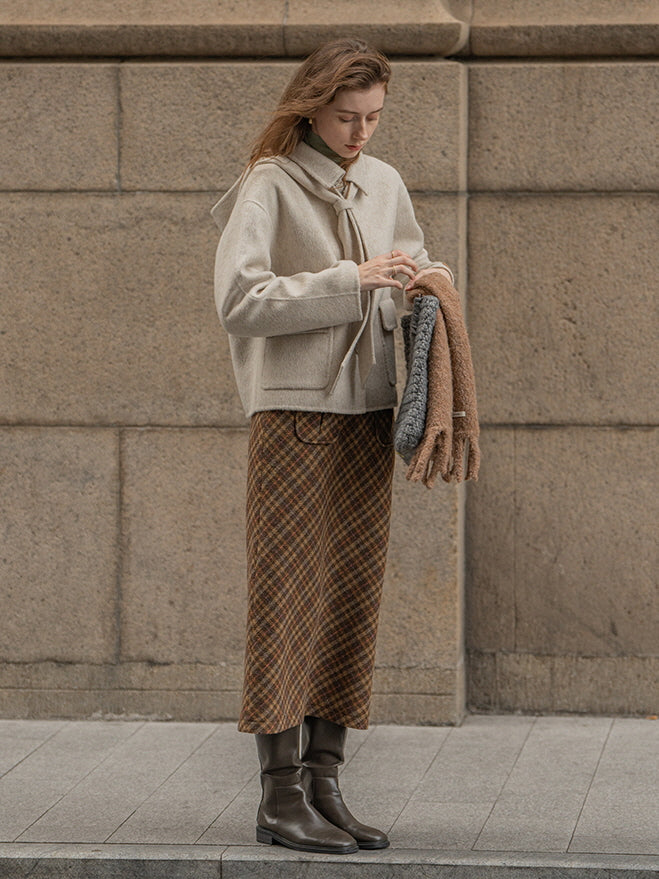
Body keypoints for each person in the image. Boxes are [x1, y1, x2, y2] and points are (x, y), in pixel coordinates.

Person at [211, 38, 454, 855]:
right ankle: (278, 797)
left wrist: (428, 278)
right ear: (310, 105)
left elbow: (410, 256)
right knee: (286, 595)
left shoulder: (381, 182)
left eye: (374, 118)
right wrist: (348, 281)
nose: (360, 134)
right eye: (347, 117)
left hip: (367, 412)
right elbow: (240, 299)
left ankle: (324, 783)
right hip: (293, 415)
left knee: (349, 595)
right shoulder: (268, 185)